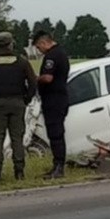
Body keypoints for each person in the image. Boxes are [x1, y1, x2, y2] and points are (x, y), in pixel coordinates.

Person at [0, 31, 38, 182]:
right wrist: (26, 99)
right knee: (17, 138)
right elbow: (32, 82)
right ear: (11, 43)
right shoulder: (22, 61)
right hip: (18, 102)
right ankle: (19, 172)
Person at [32, 30, 70, 179]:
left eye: (38, 47)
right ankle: (56, 165)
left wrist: (36, 78)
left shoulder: (52, 56)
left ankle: (59, 167)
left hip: (54, 100)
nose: (39, 51)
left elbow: (47, 78)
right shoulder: (61, 53)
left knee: (56, 135)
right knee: (56, 134)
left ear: (43, 42)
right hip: (58, 99)